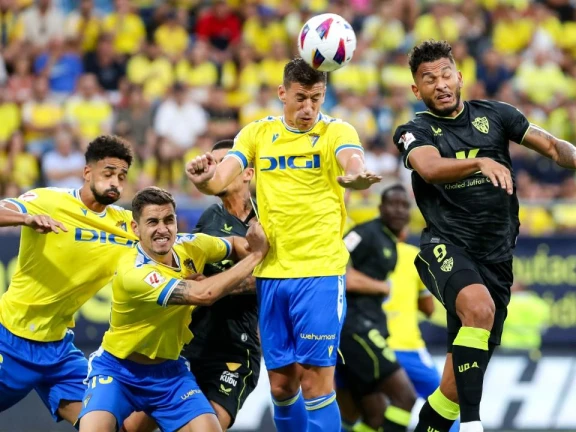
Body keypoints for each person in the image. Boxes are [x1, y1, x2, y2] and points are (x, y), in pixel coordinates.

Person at [393, 40, 576, 432]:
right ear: (417, 90)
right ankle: (473, 425)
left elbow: (552, 145)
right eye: (429, 79)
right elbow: (429, 168)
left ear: (459, 77)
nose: (441, 84)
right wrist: (480, 162)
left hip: (496, 260)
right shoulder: (414, 130)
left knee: (451, 390)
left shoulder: (496, 115)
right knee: (479, 309)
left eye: (446, 75)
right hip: (445, 247)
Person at [186, 58, 381, 432]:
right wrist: (203, 179)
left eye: (316, 98)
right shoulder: (257, 133)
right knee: (282, 386)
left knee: (315, 383)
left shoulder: (336, 131)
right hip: (272, 275)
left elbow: (351, 159)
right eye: (301, 98)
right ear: (282, 93)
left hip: (319, 274)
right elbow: (219, 180)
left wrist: (356, 175)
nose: (309, 108)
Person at [77, 186, 269, 432]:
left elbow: (232, 243)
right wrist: (257, 255)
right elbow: (204, 294)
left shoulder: (191, 246)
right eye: (152, 222)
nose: (162, 229)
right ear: (136, 228)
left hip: (169, 372)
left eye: (168, 220)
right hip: (119, 370)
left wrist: (252, 248)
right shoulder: (134, 272)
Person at [122, 139, 261, 432]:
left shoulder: (268, 220)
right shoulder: (211, 216)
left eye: (226, 163)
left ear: (247, 173)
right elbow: (189, 267)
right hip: (189, 341)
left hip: (234, 349)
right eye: (215, 164)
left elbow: (272, 277)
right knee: (130, 427)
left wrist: (213, 286)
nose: (218, 170)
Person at [0, 135, 138, 427]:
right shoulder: (48, 200)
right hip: (9, 338)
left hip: (58, 351)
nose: (115, 182)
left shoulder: (127, 225)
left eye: (122, 176)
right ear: (87, 172)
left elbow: (173, 242)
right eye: (108, 173)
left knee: (103, 426)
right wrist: (25, 220)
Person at [336, 184, 417, 432]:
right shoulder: (365, 233)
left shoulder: (390, 240)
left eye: (404, 206)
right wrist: (382, 287)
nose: (399, 210)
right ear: (381, 208)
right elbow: (338, 269)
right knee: (405, 397)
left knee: (375, 417)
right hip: (357, 328)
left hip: (368, 325)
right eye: (393, 204)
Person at [384, 231, 460, 432]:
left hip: (370, 343)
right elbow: (428, 308)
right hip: (406, 346)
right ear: (404, 231)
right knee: (446, 399)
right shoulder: (412, 255)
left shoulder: (363, 251)